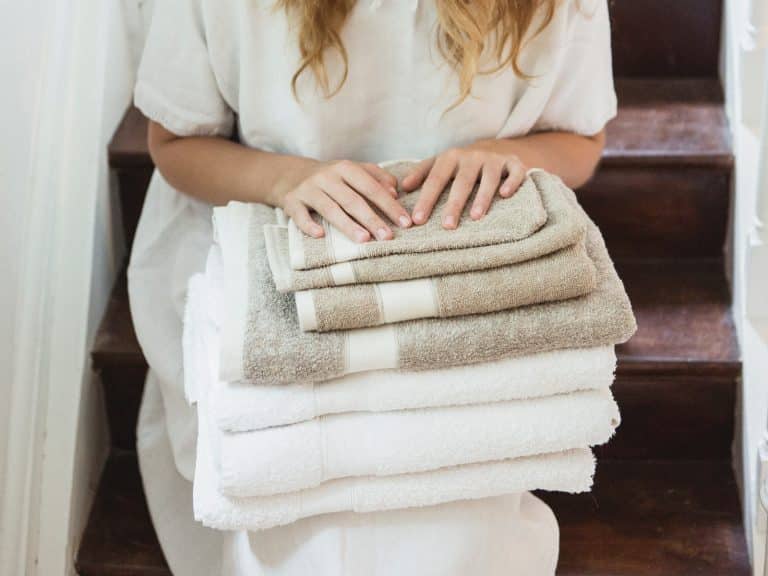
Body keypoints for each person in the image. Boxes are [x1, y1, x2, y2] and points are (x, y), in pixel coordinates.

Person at [129, 0, 616, 573]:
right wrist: (287, 178)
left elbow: (581, 140)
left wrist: (504, 156)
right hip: (273, 245)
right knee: (296, 520)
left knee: (454, 519)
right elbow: (175, 142)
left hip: (461, 276)